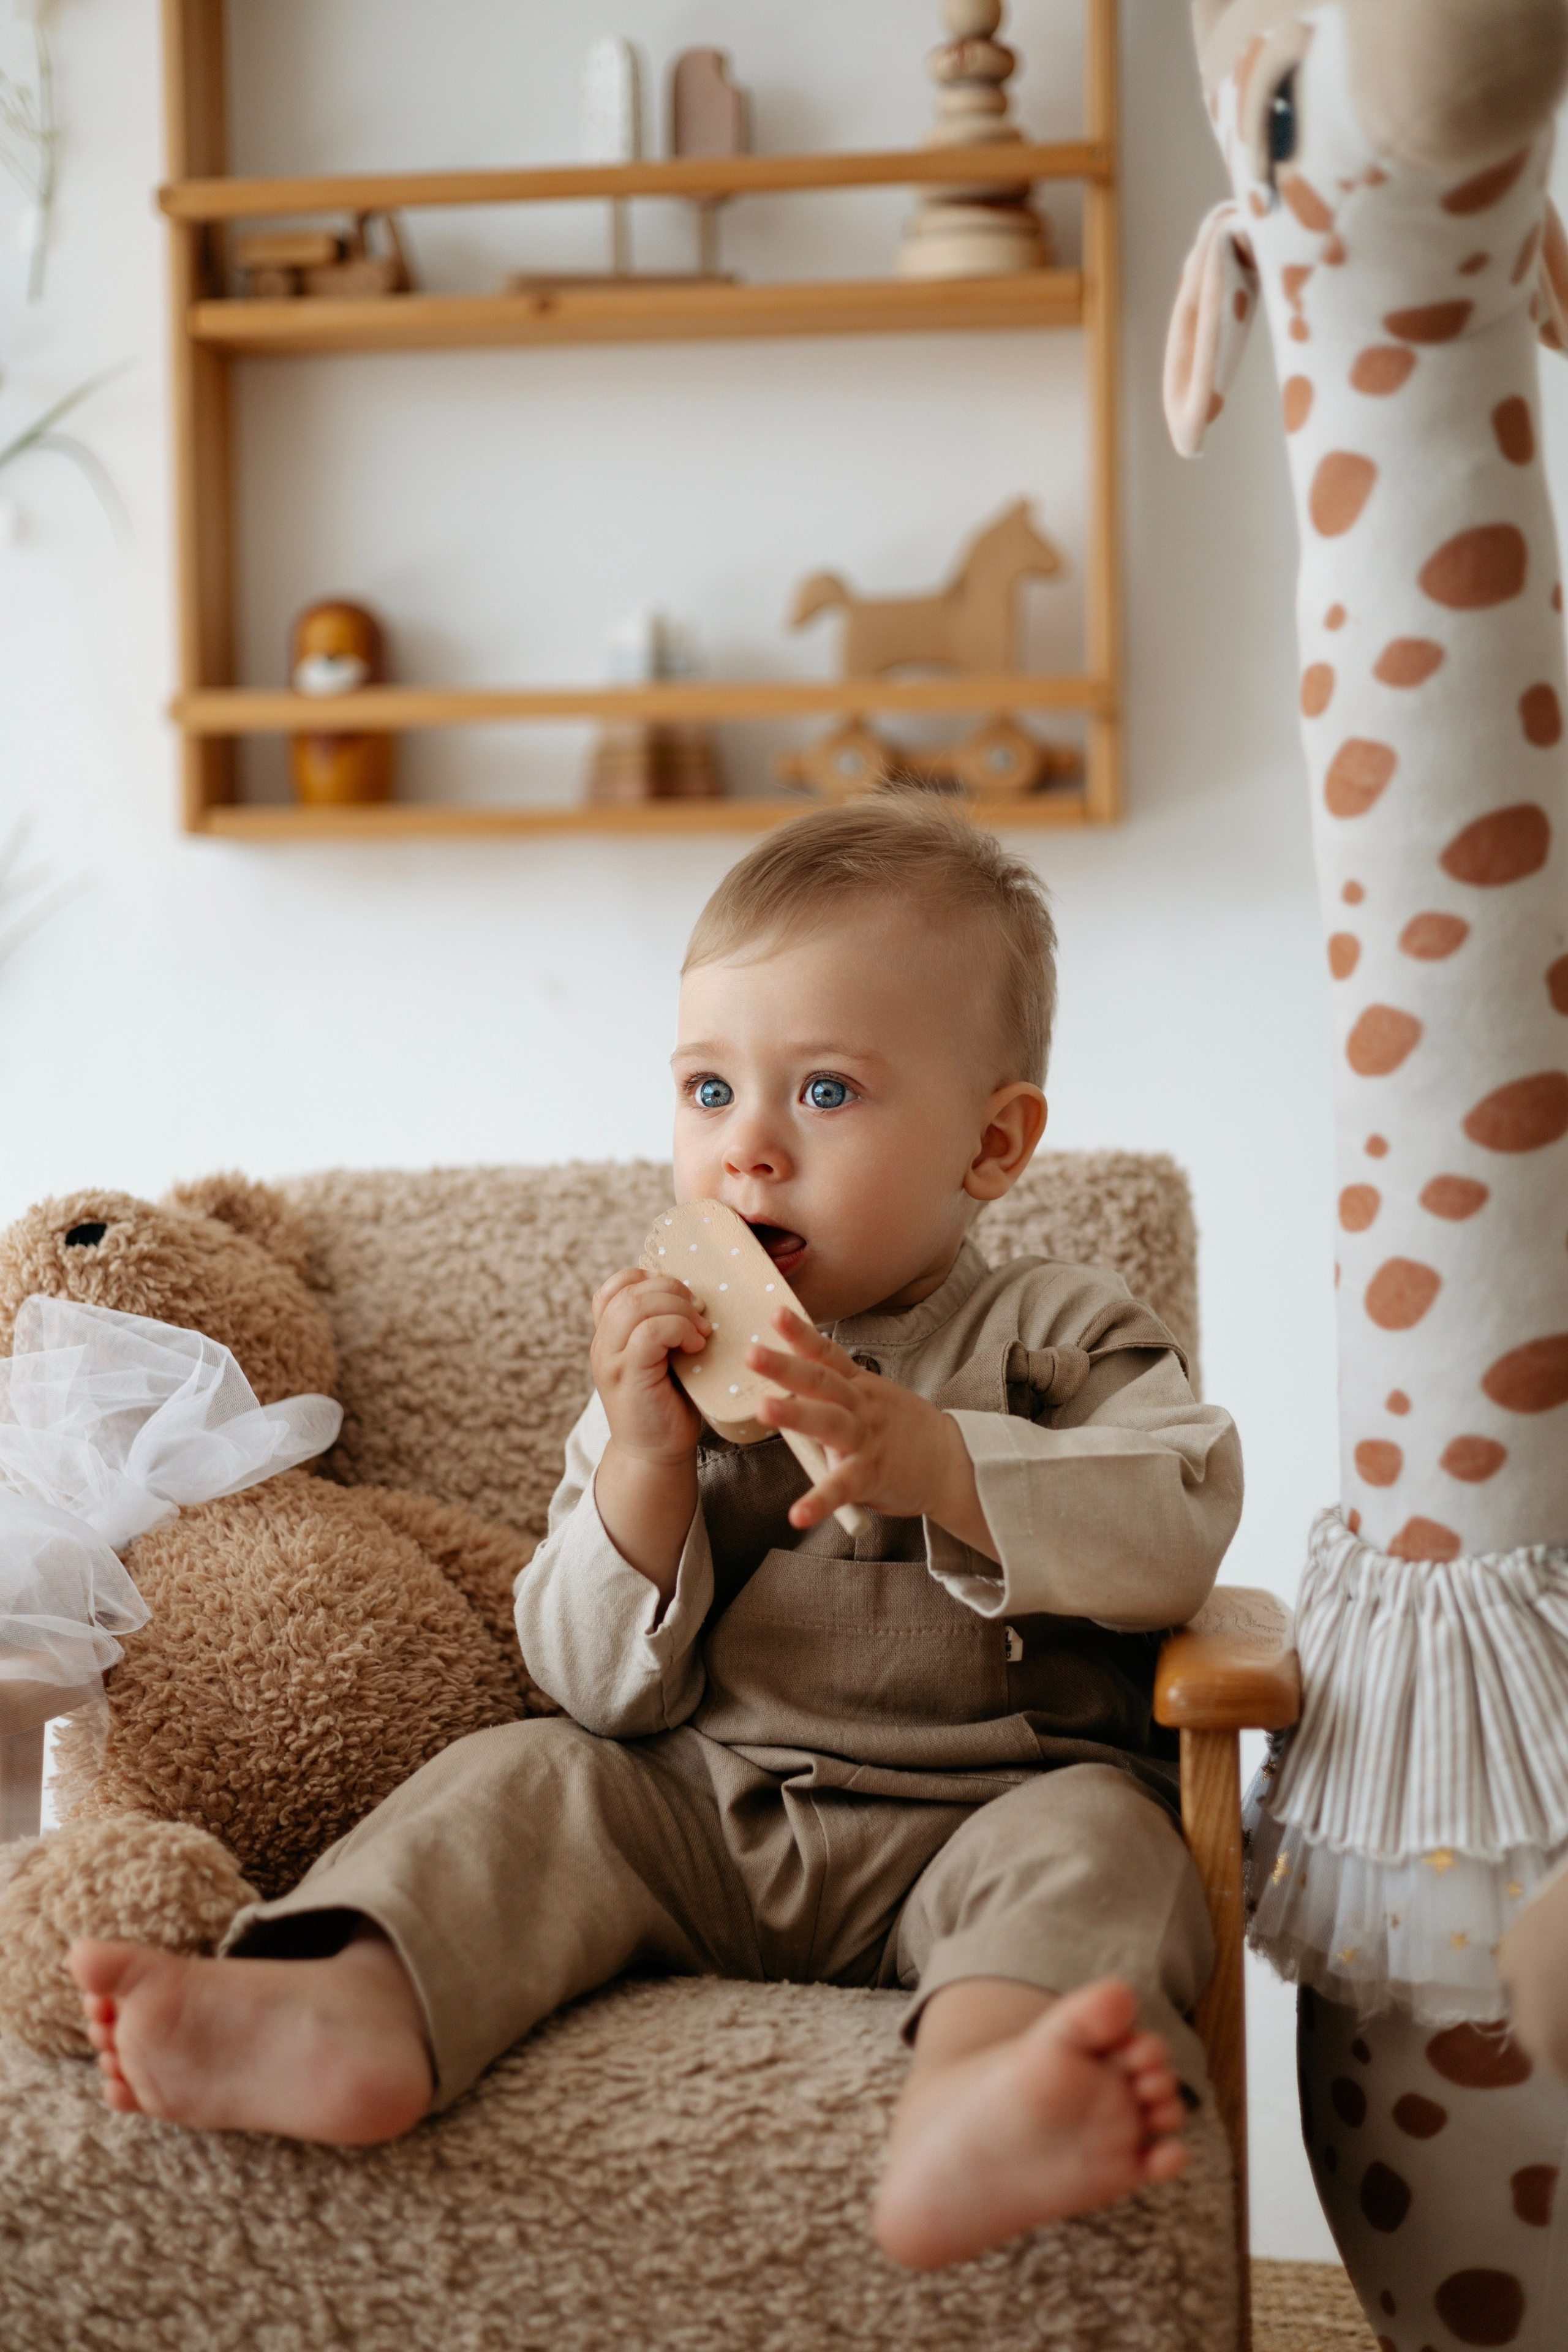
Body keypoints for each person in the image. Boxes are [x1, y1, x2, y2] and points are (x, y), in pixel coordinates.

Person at [69, 794, 1243, 2271]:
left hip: (989, 1812)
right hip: (708, 1816)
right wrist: (642, 1462)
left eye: (826, 1091)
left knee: (1104, 1848)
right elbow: (587, 1682)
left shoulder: (1054, 1328)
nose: (746, 1150)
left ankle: (987, 2089)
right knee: (528, 1776)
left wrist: (939, 1463)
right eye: (707, 1090)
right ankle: (349, 2008)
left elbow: (1175, 1523)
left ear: (990, 1144)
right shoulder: (673, 1368)